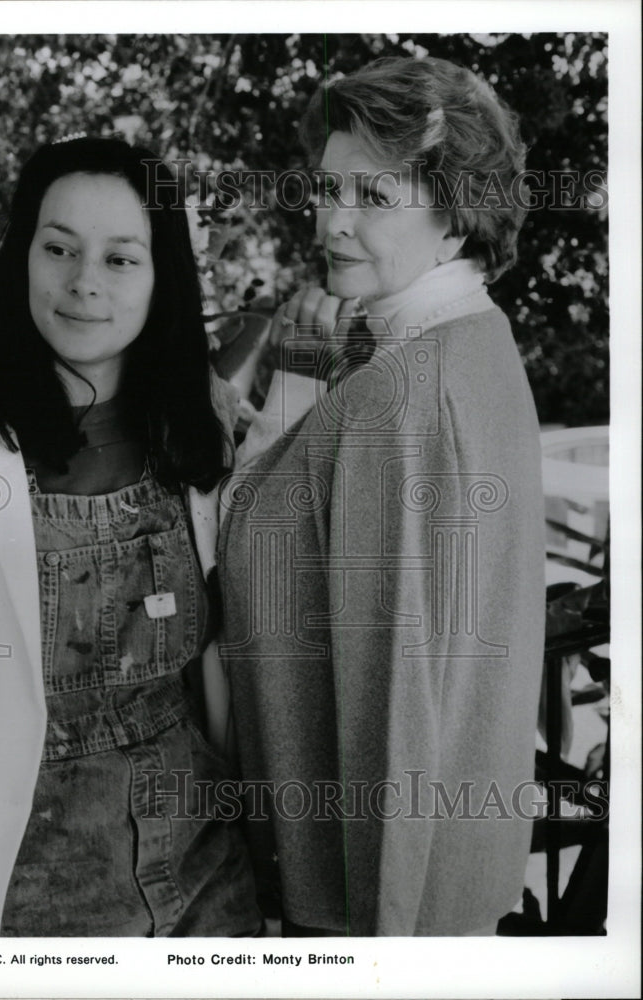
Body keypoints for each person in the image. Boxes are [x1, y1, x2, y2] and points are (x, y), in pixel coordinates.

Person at [0, 137, 261, 937]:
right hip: (24, 895)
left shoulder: (200, 433)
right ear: (22, 255)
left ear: (162, 277)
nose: (84, 282)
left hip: (207, 878)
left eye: (121, 259)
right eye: (59, 247)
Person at [218, 56, 545, 936]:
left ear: (455, 209)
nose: (332, 220)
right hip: (455, 877)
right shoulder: (476, 342)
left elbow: (393, 703)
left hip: (374, 907)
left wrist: (383, 947)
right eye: (327, 189)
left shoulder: (400, 401)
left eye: (373, 196)